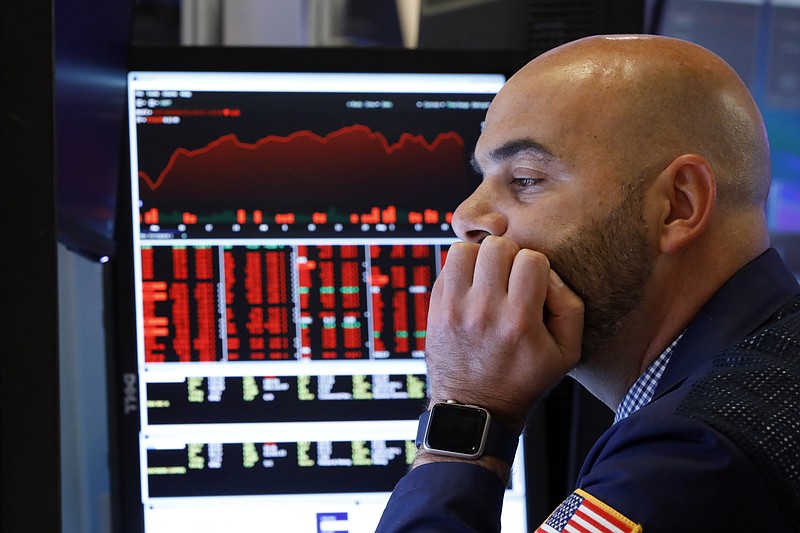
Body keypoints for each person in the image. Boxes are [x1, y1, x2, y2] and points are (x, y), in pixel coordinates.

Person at [374, 34, 800, 532]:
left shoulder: (694, 456)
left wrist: (469, 412)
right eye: (482, 178)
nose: (465, 216)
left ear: (677, 206)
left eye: (526, 178)